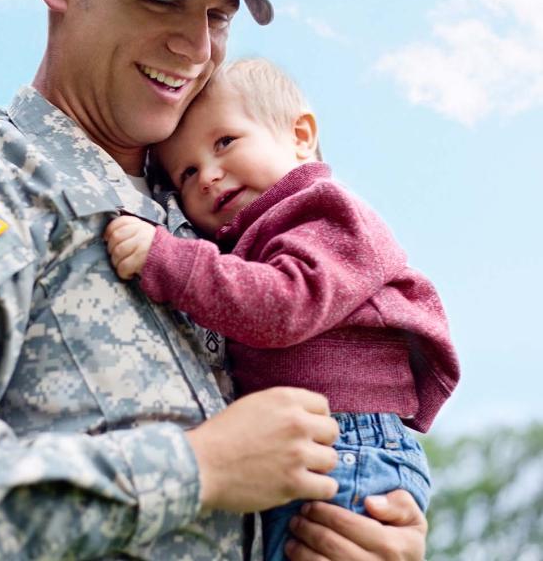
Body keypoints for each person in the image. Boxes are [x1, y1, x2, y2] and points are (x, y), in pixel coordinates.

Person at [0, 0, 429, 559]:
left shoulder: (218, 215)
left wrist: (368, 525)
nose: (195, 46)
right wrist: (199, 469)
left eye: (219, 15)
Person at [105, 58, 460, 559]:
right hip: (306, 445)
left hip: (346, 444)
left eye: (224, 142)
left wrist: (166, 259)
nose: (206, 176)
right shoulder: (248, 236)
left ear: (300, 135)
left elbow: (285, 305)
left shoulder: (324, 212)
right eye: (185, 173)